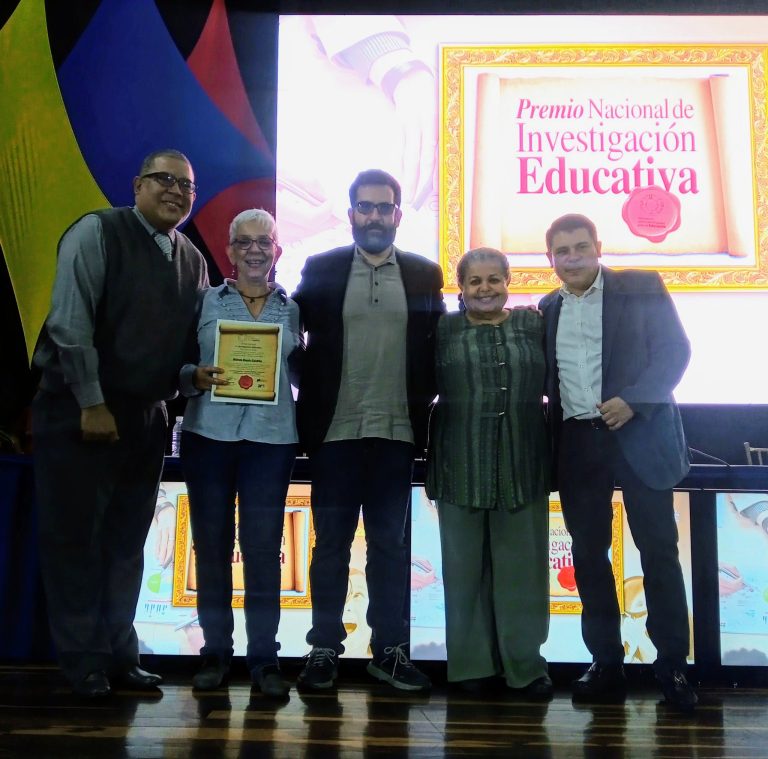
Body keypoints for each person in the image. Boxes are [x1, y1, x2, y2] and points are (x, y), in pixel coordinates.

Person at [32, 149, 208, 698]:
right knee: (75, 541)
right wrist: (91, 401)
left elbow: (180, 352)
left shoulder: (192, 260)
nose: (176, 190)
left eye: (186, 185)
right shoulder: (98, 232)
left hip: (145, 418)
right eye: (164, 179)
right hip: (80, 411)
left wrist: (193, 377)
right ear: (137, 186)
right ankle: (84, 662)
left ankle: (119, 656)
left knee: (128, 543)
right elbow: (70, 324)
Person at [292, 169, 444, 691]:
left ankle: (390, 651)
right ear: (351, 213)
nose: (374, 216)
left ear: (398, 215)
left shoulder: (424, 274)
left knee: (390, 548)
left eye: (384, 207)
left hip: (396, 434)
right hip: (334, 434)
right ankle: (323, 649)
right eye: (366, 206)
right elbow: (289, 339)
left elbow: (436, 348)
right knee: (330, 546)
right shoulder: (321, 268)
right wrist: (310, 389)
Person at [539, 213, 697, 712]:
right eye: (563, 251)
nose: (573, 258)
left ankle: (672, 664)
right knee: (587, 557)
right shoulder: (546, 308)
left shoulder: (641, 287)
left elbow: (674, 352)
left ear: (598, 246)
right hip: (578, 444)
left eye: (581, 247)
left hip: (640, 435)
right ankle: (605, 662)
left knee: (659, 552)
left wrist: (634, 401)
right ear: (550, 258)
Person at [179, 209, 301, 698]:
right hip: (208, 435)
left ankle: (265, 659)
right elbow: (177, 360)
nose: (254, 250)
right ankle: (215, 653)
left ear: (277, 251)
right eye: (244, 241)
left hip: (271, 441)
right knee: (211, 547)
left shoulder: (293, 309)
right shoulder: (203, 301)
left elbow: (301, 369)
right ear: (229, 251)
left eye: (264, 241)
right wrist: (192, 376)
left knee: (263, 550)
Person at [425, 248, 552, 698]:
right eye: (474, 281)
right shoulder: (442, 328)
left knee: (523, 573)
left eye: (494, 279)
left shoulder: (533, 324)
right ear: (460, 287)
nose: (485, 289)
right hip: (459, 462)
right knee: (463, 571)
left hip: (523, 462)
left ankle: (525, 667)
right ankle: (471, 667)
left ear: (507, 281)